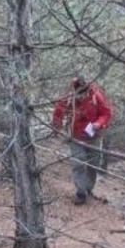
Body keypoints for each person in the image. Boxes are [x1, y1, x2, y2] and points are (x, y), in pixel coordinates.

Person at [52, 76, 112, 205]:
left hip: (93, 136)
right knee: (78, 162)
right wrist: (57, 125)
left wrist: (98, 123)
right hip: (75, 136)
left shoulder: (96, 96)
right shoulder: (69, 97)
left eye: (83, 93)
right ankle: (81, 193)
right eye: (78, 93)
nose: (81, 96)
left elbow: (106, 113)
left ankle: (88, 188)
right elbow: (58, 110)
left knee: (93, 163)